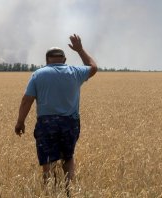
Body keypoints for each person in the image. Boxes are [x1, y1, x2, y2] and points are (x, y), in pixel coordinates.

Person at [14, 34, 97, 193]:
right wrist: (80, 50)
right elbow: (93, 67)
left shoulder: (38, 74)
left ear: (46, 60)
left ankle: (49, 192)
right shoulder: (75, 72)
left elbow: (27, 100)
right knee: (68, 156)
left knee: (47, 160)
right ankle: (69, 191)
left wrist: (20, 122)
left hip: (46, 123)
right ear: (64, 60)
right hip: (70, 122)